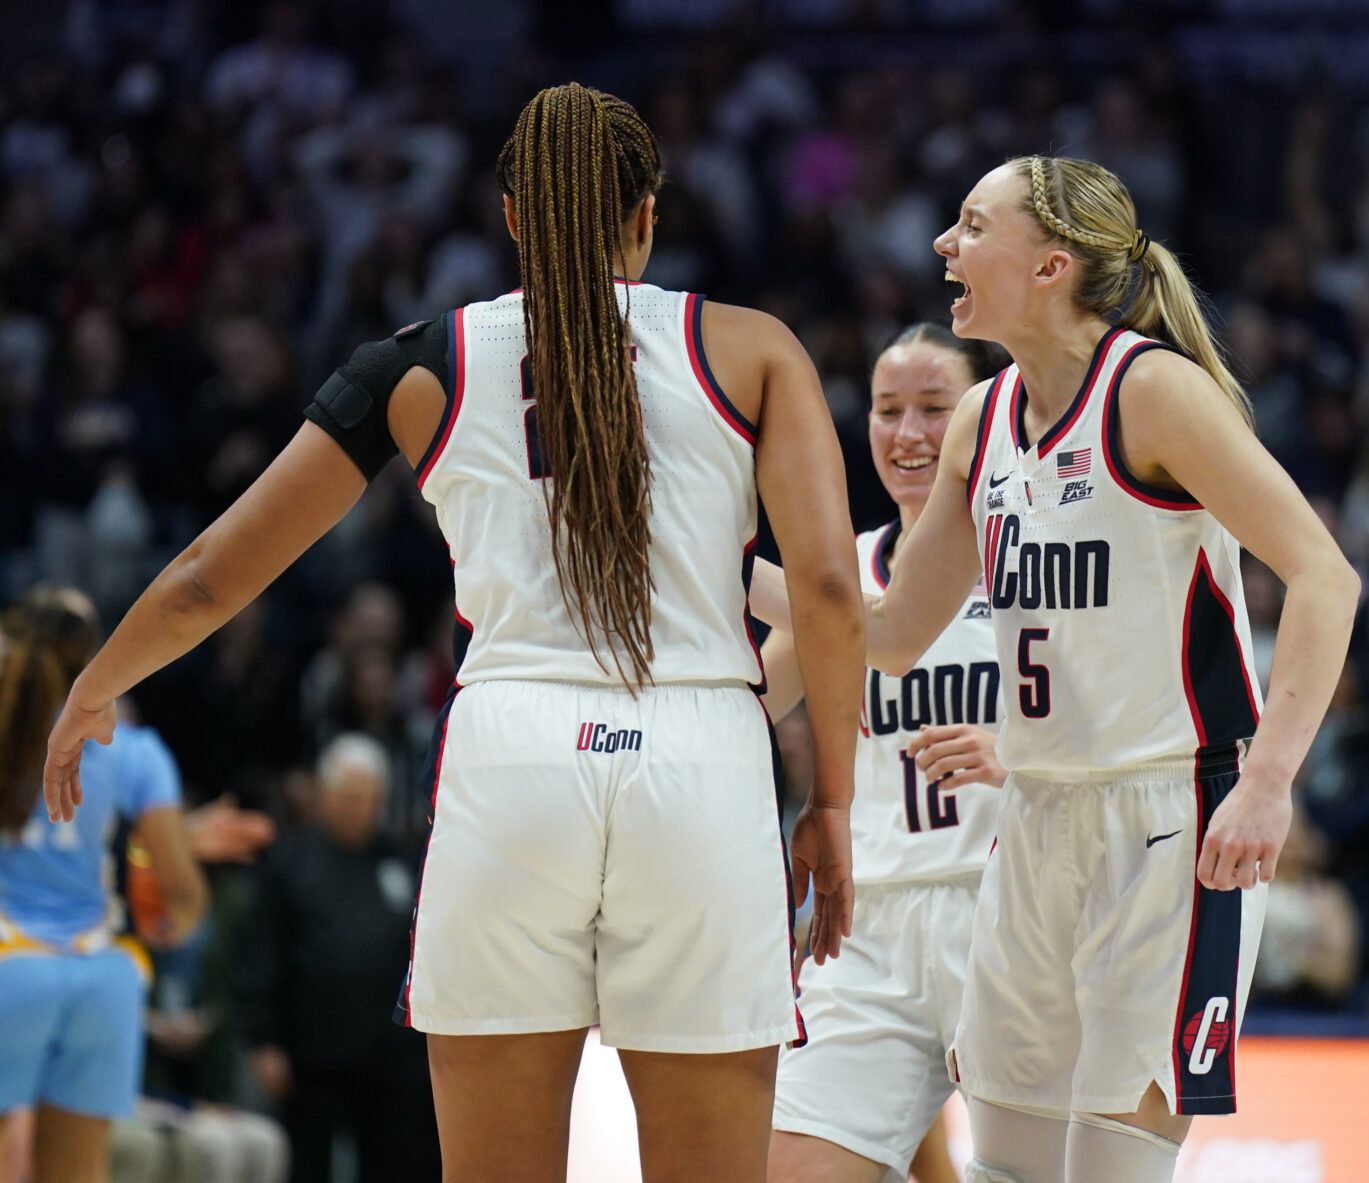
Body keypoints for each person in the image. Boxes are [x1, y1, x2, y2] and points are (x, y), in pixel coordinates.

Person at [41, 84, 865, 1183]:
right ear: (650, 215)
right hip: (700, 750)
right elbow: (825, 584)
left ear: (512, 217)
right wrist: (836, 803)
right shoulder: (752, 348)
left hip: (512, 753)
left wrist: (94, 684)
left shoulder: (423, 364)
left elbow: (208, 575)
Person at [857, 155, 1359, 1181]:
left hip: (1173, 823)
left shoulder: (1152, 393)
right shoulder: (981, 419)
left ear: (1049, 264)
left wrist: (1268, 783)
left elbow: (1325, 577)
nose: (945, 245)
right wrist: (721, 576)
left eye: (970, 224)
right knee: (1005, 1169)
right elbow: (892, 633)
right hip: (1037, 816)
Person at [763, 323, 1006, 1183]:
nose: (908, 435)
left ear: (985, 415)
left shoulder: (1035, 559)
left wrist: (1024, 752)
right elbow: (748, 697)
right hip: (864, 923)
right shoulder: (848, 569)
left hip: (1007, 906)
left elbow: (1129, 711)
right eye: (888, 410)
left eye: (935, 409)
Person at [0, 587, 207, 1183]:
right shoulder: (135, 751)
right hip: (101, 975)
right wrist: (169, 914)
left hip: (11, 962)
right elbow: (182, 899)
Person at [235, 734, 438, 1183]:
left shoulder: (404, 862)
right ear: (325, 796)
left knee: (398, 1164)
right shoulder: (291, 865)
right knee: (309, 1167)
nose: (357, 809)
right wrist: (264, 1040)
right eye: (348, 797)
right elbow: (260, 956)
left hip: (392, 1060)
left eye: (368, 799)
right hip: (313, 1057)